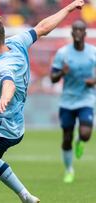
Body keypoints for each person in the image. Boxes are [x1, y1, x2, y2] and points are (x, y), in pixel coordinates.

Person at [0, 1, 85, 203]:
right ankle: (26, 196)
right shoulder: (17, 42)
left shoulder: (3, 66)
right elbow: (42, 27)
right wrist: (68, 8)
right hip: (16, 127)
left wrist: (5, 97)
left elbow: (8, 82)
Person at [50, 20, 96, 183]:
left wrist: (94, 80)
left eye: (80, 30)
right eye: (75, 29)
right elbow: (53, 78)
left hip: (86, 99)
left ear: (85, 33)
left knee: (85, 134)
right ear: (71, 33)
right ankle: (69, 170)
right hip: (67, 101)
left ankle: (80, 141)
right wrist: (62, 72)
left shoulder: (93, 52)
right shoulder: (63, 53)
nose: (77, 32)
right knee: (66, 137)